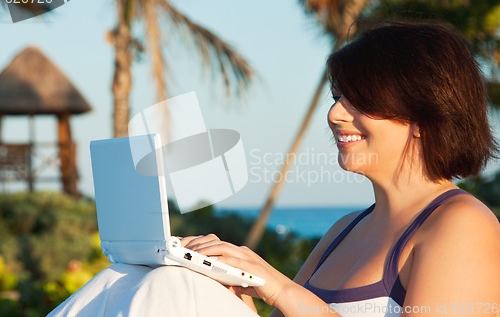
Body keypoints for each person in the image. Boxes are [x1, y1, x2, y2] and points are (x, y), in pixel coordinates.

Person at [49, 20, 500, 317]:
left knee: (168, 289)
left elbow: (290, 298)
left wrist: (275, 284)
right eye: (338, 97)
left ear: (423, 117)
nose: (336, 115)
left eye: (359, 101)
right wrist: (229, 286)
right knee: (130, 277)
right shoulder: (345, 229)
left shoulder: (461, 226)